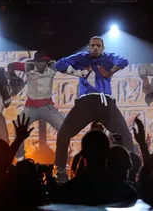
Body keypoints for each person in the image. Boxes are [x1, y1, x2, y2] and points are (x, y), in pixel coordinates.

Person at [53, 36, 134, 182]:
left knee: (126, 136)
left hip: (104, 102)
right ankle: (60, 171)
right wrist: (78, 72)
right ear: (88, 47)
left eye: (98, 45)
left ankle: (131, 172)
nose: (95, 48)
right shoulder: (81, 58)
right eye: (92, 45)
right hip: (85, 103)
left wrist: (110, 72)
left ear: (102, 48)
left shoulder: (108, 58)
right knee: (63, 134)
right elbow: (59, 65)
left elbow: (124, 61)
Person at [7, 51, 64, 161]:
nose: (42, 64)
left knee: (64, 129)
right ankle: (20, 158)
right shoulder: (28, 66)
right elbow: (11, 65)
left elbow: (66, 64)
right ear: (35, 62)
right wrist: (12, 75)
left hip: (48, 107)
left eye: (44, 62)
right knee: (18, 126)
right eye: (40, 61)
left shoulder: (52, 67)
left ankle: (61, 159)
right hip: (30, 108)